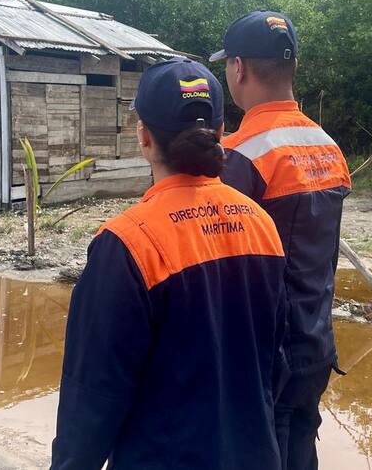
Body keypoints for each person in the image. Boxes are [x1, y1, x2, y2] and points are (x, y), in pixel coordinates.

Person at [50, 57, 289, 470]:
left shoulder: (127, 243)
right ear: (220, 133)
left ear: (144, 137)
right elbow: (274, 363)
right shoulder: (261, 224)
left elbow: (91, 399)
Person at [211, 11, 351, 470]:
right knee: (301, 451)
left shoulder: (240, 156)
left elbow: (220, 270)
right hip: (315, 344)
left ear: (238, 68)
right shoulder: (328, 146)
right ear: (293, 66)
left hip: (263, 357)